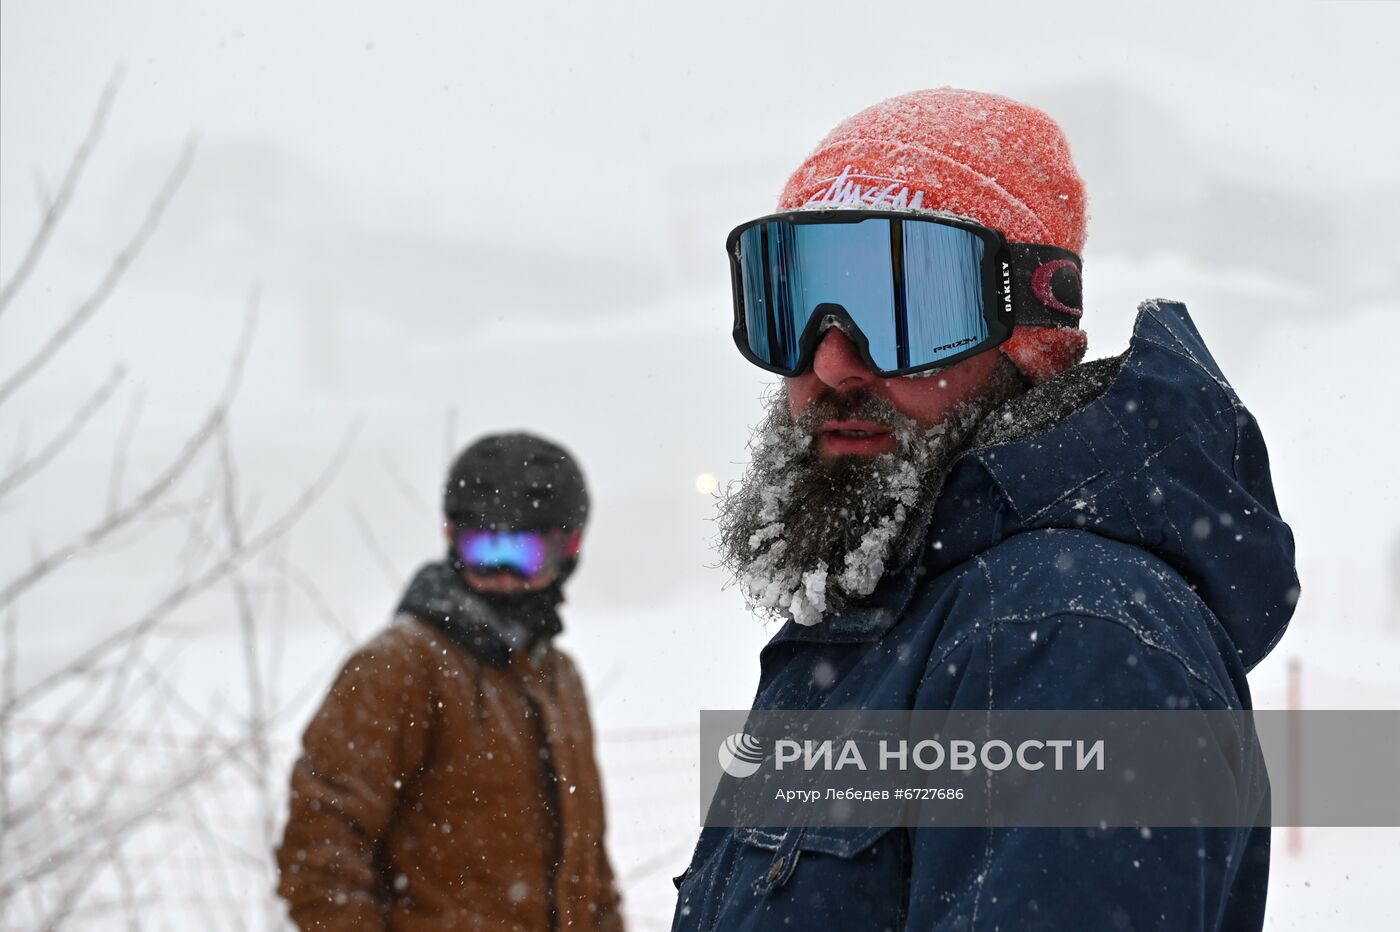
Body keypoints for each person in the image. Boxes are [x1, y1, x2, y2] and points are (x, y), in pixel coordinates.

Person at [671, 89, 1297, 931]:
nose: (832, 359)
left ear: (1032, 329)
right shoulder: (902, 621)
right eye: (795, 302)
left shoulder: (1062, 635)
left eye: (903, 304)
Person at [277, 432, 623, 932]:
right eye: (484, 548)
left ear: (569, 548)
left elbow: (588, 869)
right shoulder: (399, 667)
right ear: (451, 539)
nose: (503, 573)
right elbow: (320, 849)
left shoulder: (557, 676)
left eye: (523, 552)